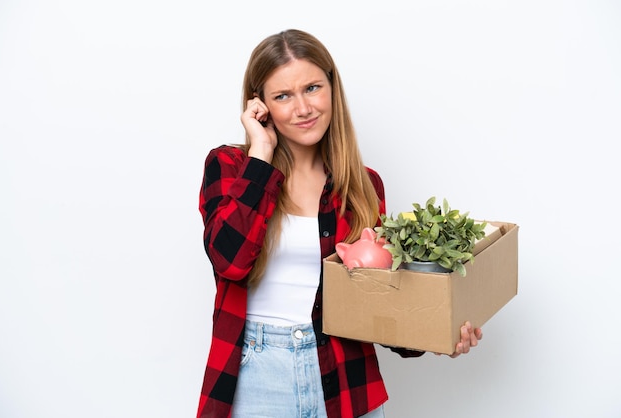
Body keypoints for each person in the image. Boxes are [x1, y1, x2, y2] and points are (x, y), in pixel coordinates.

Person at [196, 29, 483, 418]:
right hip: (258, 376)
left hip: (344, 377)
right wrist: (261, 155)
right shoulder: (232, 168)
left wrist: (437, 330)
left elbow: (378, 298)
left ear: (332, 88)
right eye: (282, 96)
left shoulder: (363, 186)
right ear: (259, 105)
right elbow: (229, 261)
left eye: (312, 87)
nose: (302, 108)